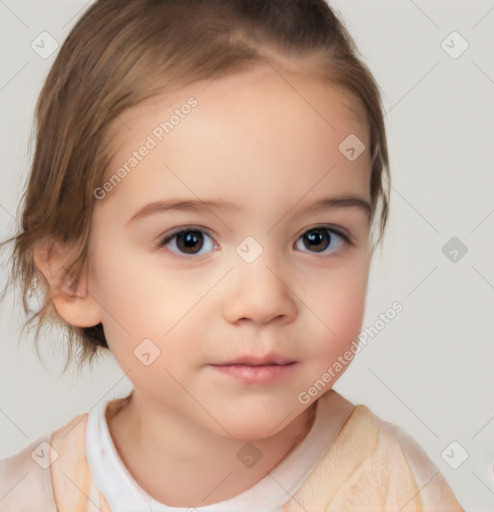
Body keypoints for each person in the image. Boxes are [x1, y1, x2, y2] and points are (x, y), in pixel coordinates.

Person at [0, 0, 465, 510]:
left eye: (318, 237)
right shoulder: (30, 494)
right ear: (72, 275)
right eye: (189, 240)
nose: (264, 300)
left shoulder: (394, 492)